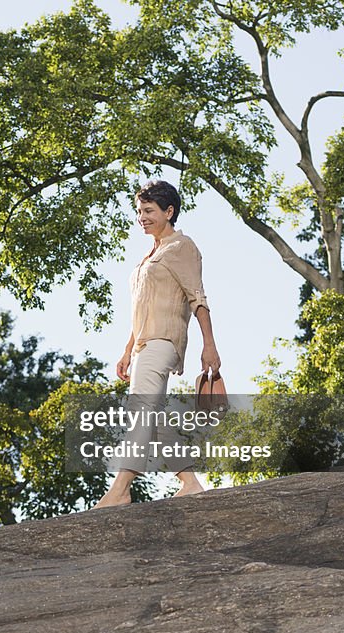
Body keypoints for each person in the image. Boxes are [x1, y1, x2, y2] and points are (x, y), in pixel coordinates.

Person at [93, 180, 221, 508]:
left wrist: (209, 346)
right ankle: (190, 482)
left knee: (141, 411)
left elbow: (198, 297)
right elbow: (142, 309)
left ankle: (120, 489)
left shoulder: (182, 247)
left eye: (149, 211)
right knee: (154, 419)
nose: (142, 217)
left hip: (164, 343)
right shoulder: (148, 256)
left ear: (169, 211)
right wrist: (126, 351)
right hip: (143, 347)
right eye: (139, 211)